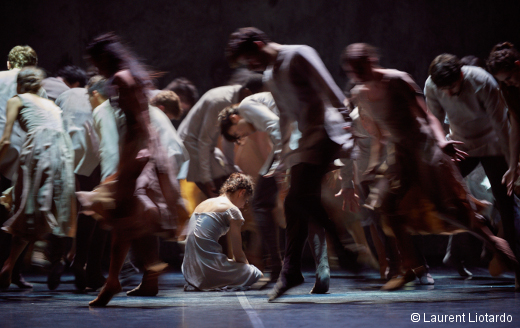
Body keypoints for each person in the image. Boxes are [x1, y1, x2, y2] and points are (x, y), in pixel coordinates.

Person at [342, 43, 518, 290]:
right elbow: (381, 134)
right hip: (400, 156)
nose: (358, 73)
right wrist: (373, 164)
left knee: (453, 212)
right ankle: (412, 267)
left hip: (425, 151)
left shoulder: (398, 80)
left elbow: (428, 117)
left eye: (361, 66)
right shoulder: (360, 94)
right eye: (353, 70)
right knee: (386, 206)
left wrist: (441, 141)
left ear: (371, 60)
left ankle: (503, 250)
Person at [226, 27, 356, 301]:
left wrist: (348, 124)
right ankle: (291, 271)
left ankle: (343, 245)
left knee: (296, 198)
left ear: (259, 44)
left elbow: (329, 88)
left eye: (249, 58)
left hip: (327, 132)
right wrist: (285, 155)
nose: (250, 66)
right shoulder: (271, 74)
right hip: (304, 141)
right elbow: (285, 117)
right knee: (292, 203)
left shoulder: (298, 53)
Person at [77, 33, 188, 306]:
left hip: (136, 150)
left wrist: (132, 160)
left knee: (125, 214)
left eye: (96, 63)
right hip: (143, 149)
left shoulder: (121, 79)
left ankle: (140, 269)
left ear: (105, 58)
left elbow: (138, 122)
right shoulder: (130, 77)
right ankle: (124, 276)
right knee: (124, 217)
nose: (95, 70)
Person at [218, 92, 330, 292]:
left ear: (234, 118)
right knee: (304, 202)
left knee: (266, 202)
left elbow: (275, 126)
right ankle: (317, 268)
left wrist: (280, 165)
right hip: (310, 135)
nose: (243, 136)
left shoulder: (245, 106)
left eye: (238, 133)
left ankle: (281, 267)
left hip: (301, 139)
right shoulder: (262, 104)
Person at [425, 53, 519, 280]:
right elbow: (434, 118)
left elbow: (501, 124)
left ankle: (517, 268)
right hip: (461, 145)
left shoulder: (482, 81)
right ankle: (478, 221)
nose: (448, 93)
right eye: (443, 89)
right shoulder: (432, 85)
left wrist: (511, 165)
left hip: (492, 146)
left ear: (461, 74)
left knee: (506, 203)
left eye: (452, 86)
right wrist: (441, 141)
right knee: (439, 193)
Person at [0, 67, 76, 290]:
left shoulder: (17, 99)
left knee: (27, 208)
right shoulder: (52, 105)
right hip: (61, 152)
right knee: (40, 208)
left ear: (18, 85)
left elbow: (5, 140)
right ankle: (16, 263)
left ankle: (24, 258)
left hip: (38, 149)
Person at [177, 75, 263, 198]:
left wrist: (232, 167)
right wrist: (205, 178)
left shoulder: (239, 99)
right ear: (247, 92)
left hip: (207, 149)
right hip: (191, 147)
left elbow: (228, 136)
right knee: (221, 196)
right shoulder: (221, 101)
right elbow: (204, 141)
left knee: (233, 191)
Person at [0, 45, 42, 289]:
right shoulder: (36, 86)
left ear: (8, 63)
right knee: (17, 212)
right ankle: (13, 271)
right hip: (23, 154)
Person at [182, 173, 262, 290]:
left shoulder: (204, 203)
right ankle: (213, 279)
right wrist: (247, 270)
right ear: (242, 192)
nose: (244, 206)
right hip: (207, 270)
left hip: (189, 271)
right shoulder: (233, 210)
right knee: (256, 273)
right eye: (246, 201)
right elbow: (238, 253)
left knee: (229, 263)